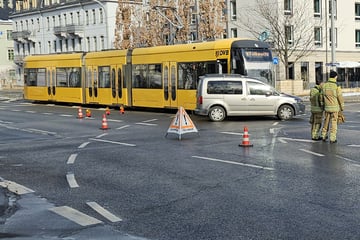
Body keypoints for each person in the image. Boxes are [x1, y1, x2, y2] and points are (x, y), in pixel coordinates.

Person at [320, 70, 345, 143]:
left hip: (327, 108)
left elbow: (321, 97)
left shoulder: (324, 85)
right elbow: (340, 97)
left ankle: (323, 135)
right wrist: (342, 107)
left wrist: (322, 105)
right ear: (335, 77)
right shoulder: (336, 86)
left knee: (326, 122)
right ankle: (332, 138)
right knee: (334, 123)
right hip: (335, 108)